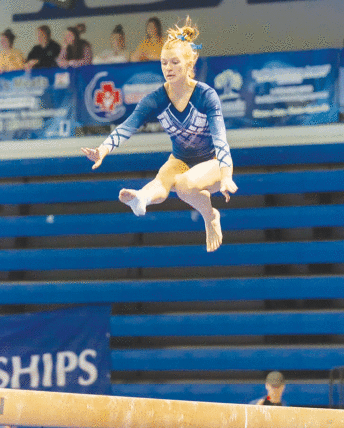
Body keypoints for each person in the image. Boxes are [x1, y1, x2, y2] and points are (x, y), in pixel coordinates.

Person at [82, 16, 237, 252]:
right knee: (163, 177)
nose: (168, 68)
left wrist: (226, 176)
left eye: (175, 62)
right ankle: (141, 199)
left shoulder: (206, 96)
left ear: (188, 63)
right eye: (164, 63)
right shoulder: (155, 99)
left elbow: (221, 140)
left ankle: (210, 216)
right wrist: (103, 149)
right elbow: (127, 126)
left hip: (212, 162)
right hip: (180, 160)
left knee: (184, 186)